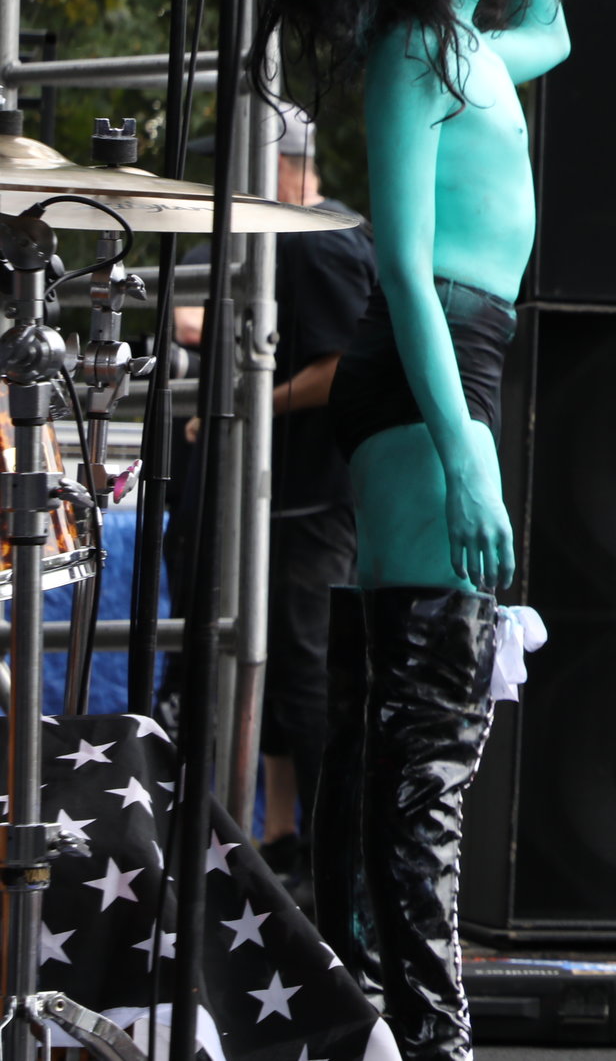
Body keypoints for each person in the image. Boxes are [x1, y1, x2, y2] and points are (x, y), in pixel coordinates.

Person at [254, 0, 616, 1061]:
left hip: (455, 380)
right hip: (433, 376)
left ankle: (385, 1017)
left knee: (412, 741)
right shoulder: (416, 51)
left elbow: (555, 9)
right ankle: (426, 1036)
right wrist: (464, 443)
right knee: (427, 753)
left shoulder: (483, 48)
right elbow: (410, 274)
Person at [171, 101, 375, 885]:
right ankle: (284, 834)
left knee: (308, 677)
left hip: (310, 504)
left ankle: (331, 869)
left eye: (232, 163)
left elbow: (338, 365)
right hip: (282, 500)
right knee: (286, 680)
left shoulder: (317, 239)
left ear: (280, 166)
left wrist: (245, 408)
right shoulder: (285, 239)